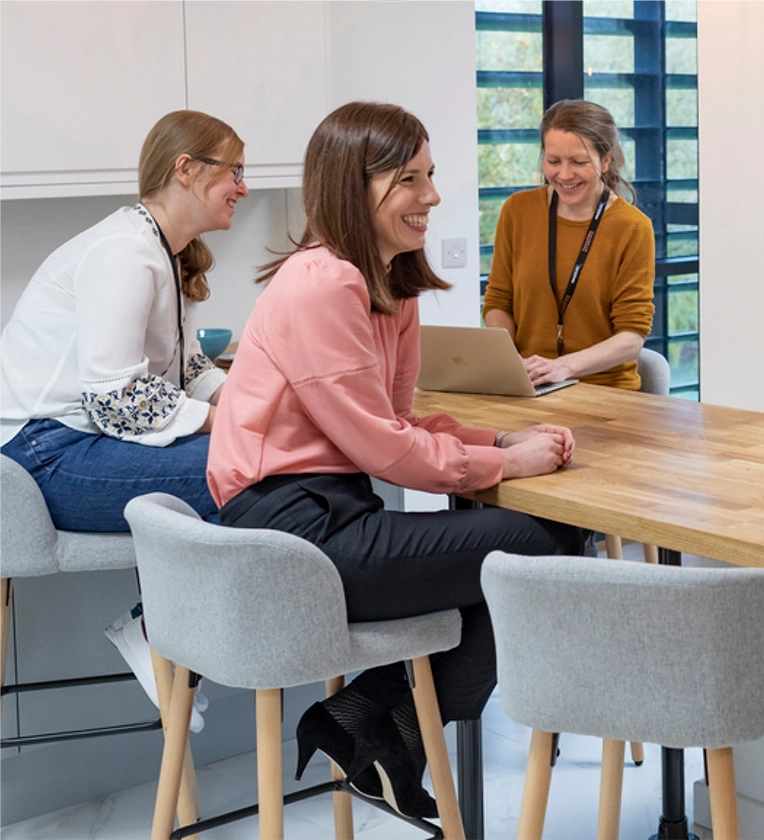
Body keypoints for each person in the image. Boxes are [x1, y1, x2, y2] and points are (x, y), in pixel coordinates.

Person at [206, 101, 585, 819]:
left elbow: (399, 421)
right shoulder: (324, 283)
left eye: (431, 176)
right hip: (291, 537)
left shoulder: (389, 282)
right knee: (544, 545)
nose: (433, 197)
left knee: (529, 557)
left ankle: (372, 724)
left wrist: (496, 443)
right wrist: (508, 468)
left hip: (335, 515)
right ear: (357, 185)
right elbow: (382, 448)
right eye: (411, 180)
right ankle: (380, 722)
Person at [0, 110, 249, 732]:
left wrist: (256, 407)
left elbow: (190, 370)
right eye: (234, 170)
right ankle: (153, 622)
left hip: (72, 445)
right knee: (251, 468)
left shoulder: (164, 252)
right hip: (42, 455)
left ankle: (162, 623)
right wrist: (233, 427)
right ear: (185, 170)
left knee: (262, 452)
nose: (244, 185)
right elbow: (115, 397)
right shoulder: (123, 252)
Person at [482, 99, 655, 390]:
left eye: (578, 162)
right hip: (530, 386)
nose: (564, 175)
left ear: (605, 160)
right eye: (553, 161)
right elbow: (499, 301)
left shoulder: (632, 227)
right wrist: (510, 360)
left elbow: (631, 337)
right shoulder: (517, 210)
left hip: (606, 393)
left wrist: (564, 366)